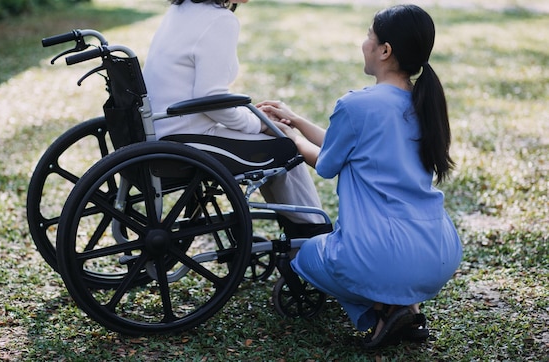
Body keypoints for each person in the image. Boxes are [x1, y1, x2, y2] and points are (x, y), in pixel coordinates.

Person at [258, 4, 463, 348]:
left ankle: (385, 309)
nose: (363, 43)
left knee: (302, 257)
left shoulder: (357, 105)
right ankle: (404, 308)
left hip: (379, 255)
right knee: (377, 264)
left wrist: (289, 139)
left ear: (385, 50)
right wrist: (295, 120)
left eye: (369, 36)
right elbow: (349, 146)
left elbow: (326, 163)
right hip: (439, 253)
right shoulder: (425, 104)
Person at [143, 0, 329, 237]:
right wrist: (258, 122)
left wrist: (257, 120)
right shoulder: (220, 20)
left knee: (271, 138)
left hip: (163, 129)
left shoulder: (180, 9)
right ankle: (313, 236)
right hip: (185, 138)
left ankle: (300, 236)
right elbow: (211, 99)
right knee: (285, 149)